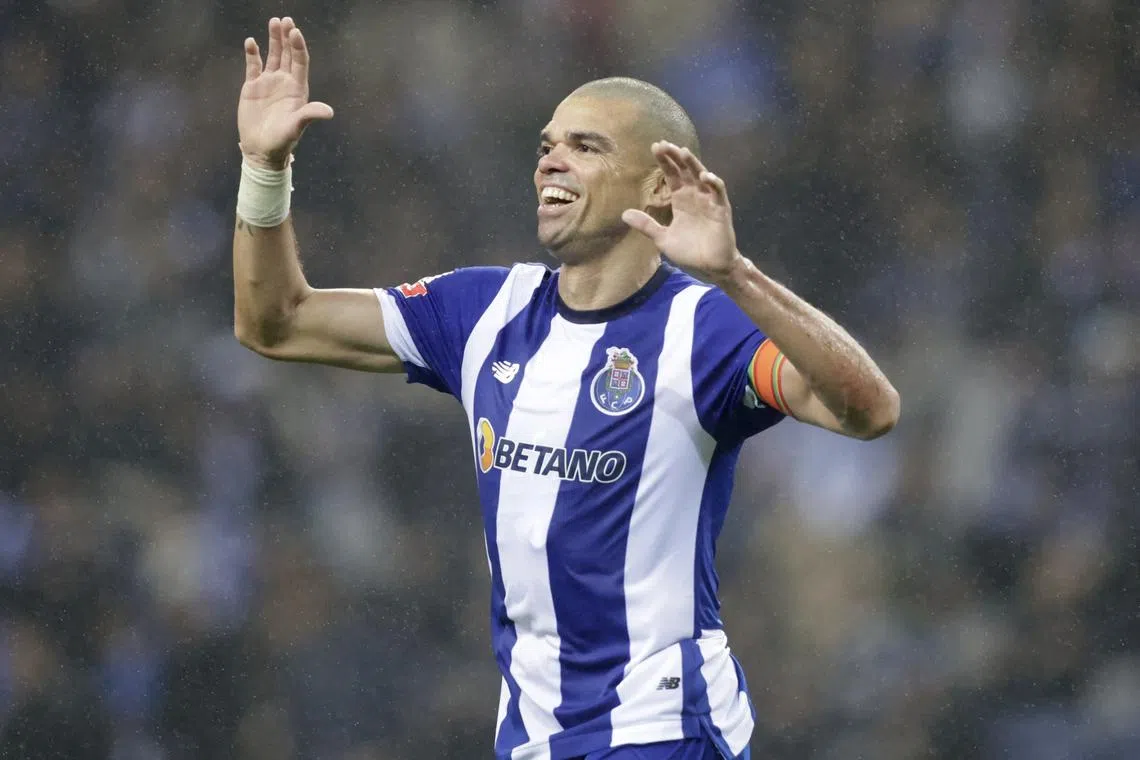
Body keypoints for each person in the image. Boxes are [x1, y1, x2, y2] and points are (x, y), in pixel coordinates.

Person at [232, 16, 900, 760]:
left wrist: (735, 275)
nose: (551, 161)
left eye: (586, 146)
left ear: (658, 184)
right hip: (534, 738)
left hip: (663, 729)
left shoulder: (703, 328)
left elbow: (870, 410)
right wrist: (265, 168)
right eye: (546, 146)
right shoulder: (483, 310)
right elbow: (276, 324)